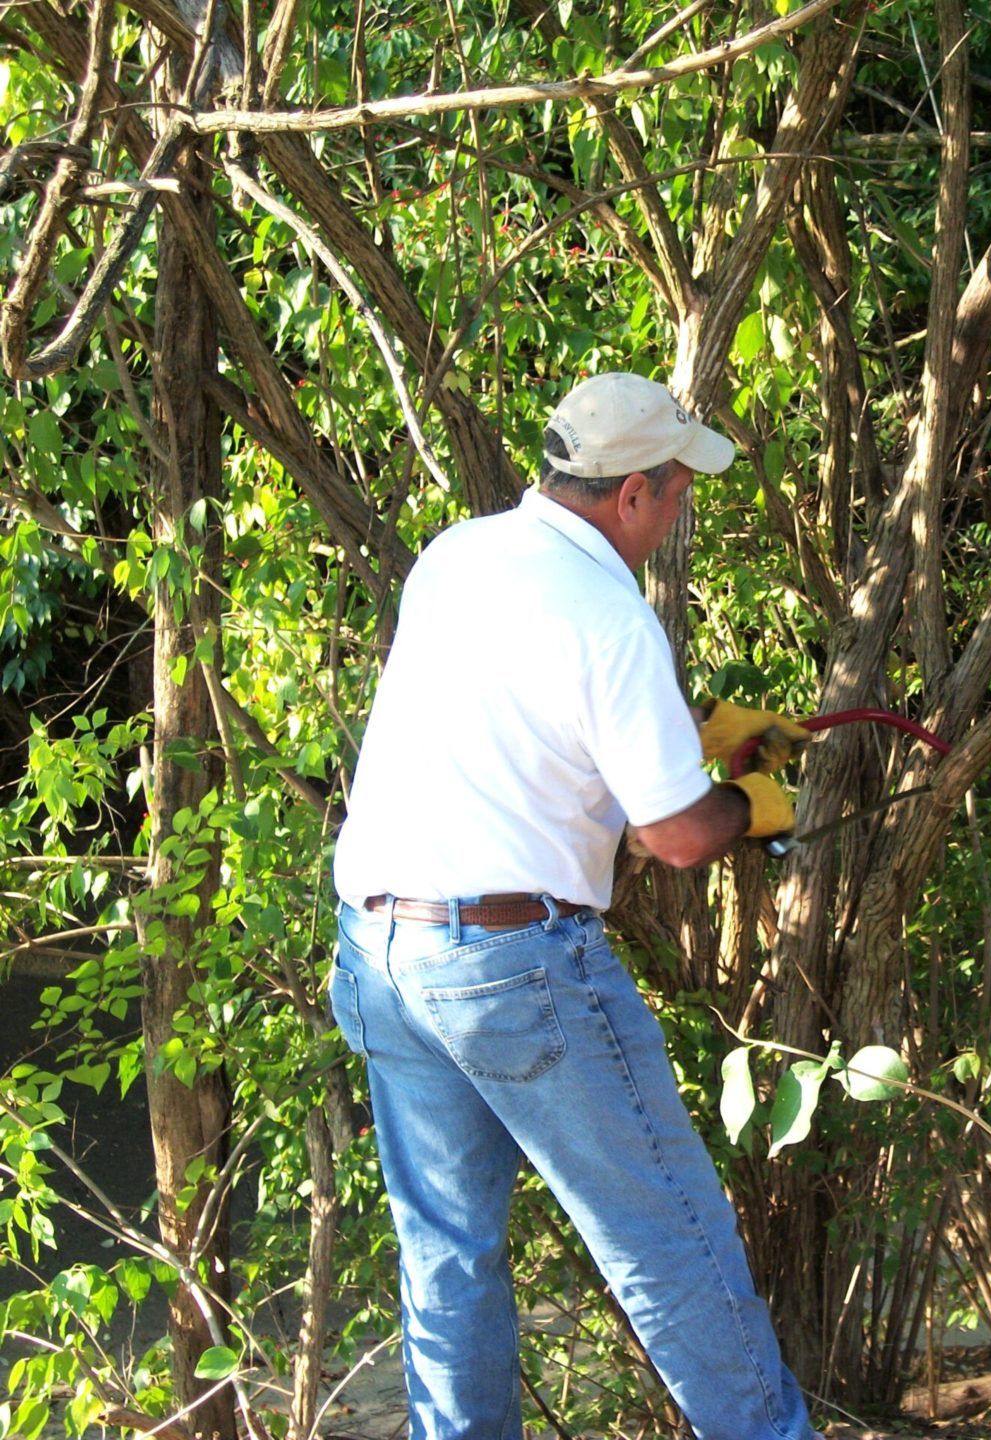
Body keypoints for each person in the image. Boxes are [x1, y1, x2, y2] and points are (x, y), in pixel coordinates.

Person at [330, 371, 819, 1440]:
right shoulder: (609, 615)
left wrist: (696, 735)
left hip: (380, 951)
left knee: (448, 1255)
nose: (681, 510)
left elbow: (525, 723)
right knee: (669, 1237)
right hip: (508, 970)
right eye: (678, 490)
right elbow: (673, 836)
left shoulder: (458, 555)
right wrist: (755, 803)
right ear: (633, 492)